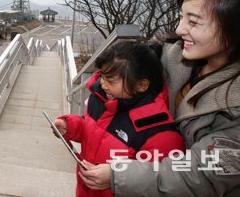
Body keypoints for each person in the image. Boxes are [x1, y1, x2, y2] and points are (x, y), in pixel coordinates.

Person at [79, 0, 240, 196]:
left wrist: (119, 176)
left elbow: (200, 175)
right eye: (182, 17)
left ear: (233, 30)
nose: (179, 29)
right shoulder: (167, 55)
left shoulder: (234, 110)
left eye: (193, 22)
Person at [53, 40, 185, 197]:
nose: (103, 84)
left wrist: (115, 179)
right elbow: (92, 131)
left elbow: (159, 184)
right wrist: (69, 126)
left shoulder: (158, 133)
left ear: (141, 85)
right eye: (102, 76)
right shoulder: (102, 100)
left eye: (110, 80)